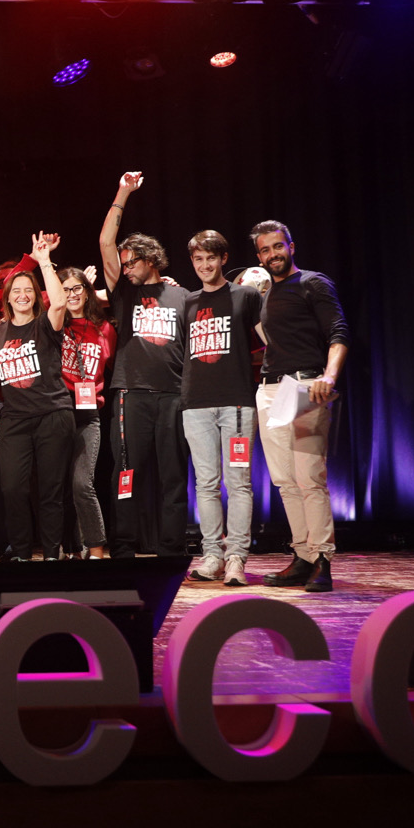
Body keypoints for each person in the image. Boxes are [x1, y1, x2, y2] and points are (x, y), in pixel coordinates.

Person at [251, 220, 349, 592]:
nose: (273, 255)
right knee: (285, 481)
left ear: (291, 246)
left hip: (305, 385)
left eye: (278, 247)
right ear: (258, 257)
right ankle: (303, 555)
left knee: (309, 476)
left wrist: (329, 376)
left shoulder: (312, 282)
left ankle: (322, 560)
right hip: (272, 389)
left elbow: (338, 331)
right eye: (265, 250)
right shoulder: (262, 294)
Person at [100, 172, 192, 559]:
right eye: (122, 262)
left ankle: (172, 546)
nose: (126, 267)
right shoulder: (124, 292)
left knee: (173, 476)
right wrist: (123, 192)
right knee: (127, 472)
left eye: (132, 261)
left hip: (172, 395)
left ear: (151, 259)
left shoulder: (183, 296)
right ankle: (124, 544)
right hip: (130, 394)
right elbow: (106, 241)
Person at [181, 230, 264, 587]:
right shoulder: (188, 302)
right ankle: (212, 554)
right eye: (198, 259)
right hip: (196, 405)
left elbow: (268, 340)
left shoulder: (245, 295)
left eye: (210, 258)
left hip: (238, 405)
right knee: (206, 484)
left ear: (224, 259)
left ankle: (236, 559)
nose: (204, 265)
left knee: (239, 483)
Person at [0, 234, 76, 562]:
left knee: (50, 493)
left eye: (28, 290)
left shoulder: (46, 324)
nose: (22, 295)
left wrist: (43, 261)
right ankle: (23, 555)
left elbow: (59, 302)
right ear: (8, 299)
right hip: (14, 420)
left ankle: (52, 555)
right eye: (16, 291)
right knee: (12, 489)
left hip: (52, 415)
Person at [56, 265, 114, 559]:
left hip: (89, 414)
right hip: (58, 410)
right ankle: (72, 549)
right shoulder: (54, 325)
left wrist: (90, 290)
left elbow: (121, 296)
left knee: (82, 483)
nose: (72, 295)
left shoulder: (105, 328)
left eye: (77, 288)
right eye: (65, 289)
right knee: (62, 488)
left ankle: (96, 547)